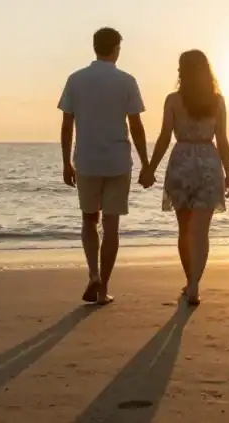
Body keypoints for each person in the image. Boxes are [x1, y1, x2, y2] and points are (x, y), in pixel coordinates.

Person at [58, 27, 149, 305]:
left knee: (89, 219)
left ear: (95, 47)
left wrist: (65, 162)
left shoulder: (76, 79)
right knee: (111, 226)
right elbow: (136, 126)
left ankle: (94, 274)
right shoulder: (126, 81)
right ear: (116, 48)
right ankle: (103, 288)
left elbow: (67, 124)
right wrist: (146, 163)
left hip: (86, 159)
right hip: (117, 161)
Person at [139, 50, 229, 305]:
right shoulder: (217, 101)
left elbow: (164, 136)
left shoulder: (172, 100)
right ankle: (194, 286)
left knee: (185, 231)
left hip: (181, 163)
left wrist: (150, 168)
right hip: (208, 164)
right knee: (201, 232)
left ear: (182, 71)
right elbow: (222, 139)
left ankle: (190, 280)